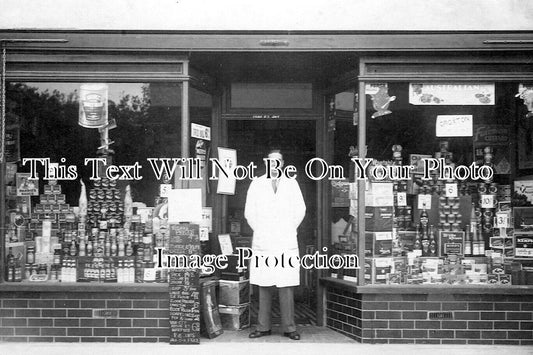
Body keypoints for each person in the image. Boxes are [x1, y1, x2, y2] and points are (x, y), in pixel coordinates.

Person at [244, 148, 306, 340]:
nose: (274, 164)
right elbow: (249, 212)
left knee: (286, 285)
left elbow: (300, 210)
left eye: (277, 161)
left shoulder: (292, 184)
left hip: (285, 239)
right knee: (264, 285)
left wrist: (288, 229)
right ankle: (263, 327)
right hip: (264, 239)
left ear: (282, 163)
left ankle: (289, 327)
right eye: (271, 161)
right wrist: (261, 229)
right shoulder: (256, 184)